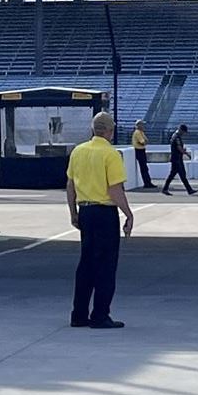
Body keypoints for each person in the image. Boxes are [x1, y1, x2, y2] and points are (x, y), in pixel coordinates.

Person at [66, 111, 134, 330]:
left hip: (85, 211)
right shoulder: (110, 154)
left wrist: (73, 212)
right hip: (104, 213)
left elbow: (70, 185)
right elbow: (114, 189)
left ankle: (79, 314)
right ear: (110, 131)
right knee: (105, 265)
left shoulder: (78, 151)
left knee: (86, 263)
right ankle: (100, 315)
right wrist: (128, 213)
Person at [162, 123, 198, 196]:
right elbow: (179, 148)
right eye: (184, 132)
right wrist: (186, 153)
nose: (184, 134)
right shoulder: (177, 137)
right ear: (181, 130)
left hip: (177, 158)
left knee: (174, 175)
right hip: (176, 159)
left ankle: (165, 189)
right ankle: (189, 190)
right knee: (181, 174)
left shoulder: (175, 136)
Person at [131, 119, 155, 188]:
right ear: (139, 125)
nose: (143, 126)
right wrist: (144, 143)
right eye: (142, 124)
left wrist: (144, 142)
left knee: (144, 167)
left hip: (141, 150)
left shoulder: (141, 132)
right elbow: (143, 142)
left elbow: (146, 141)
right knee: (144, 167)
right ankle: (147, 182)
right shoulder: (138, 132)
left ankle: (148, 182)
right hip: (139, 150)